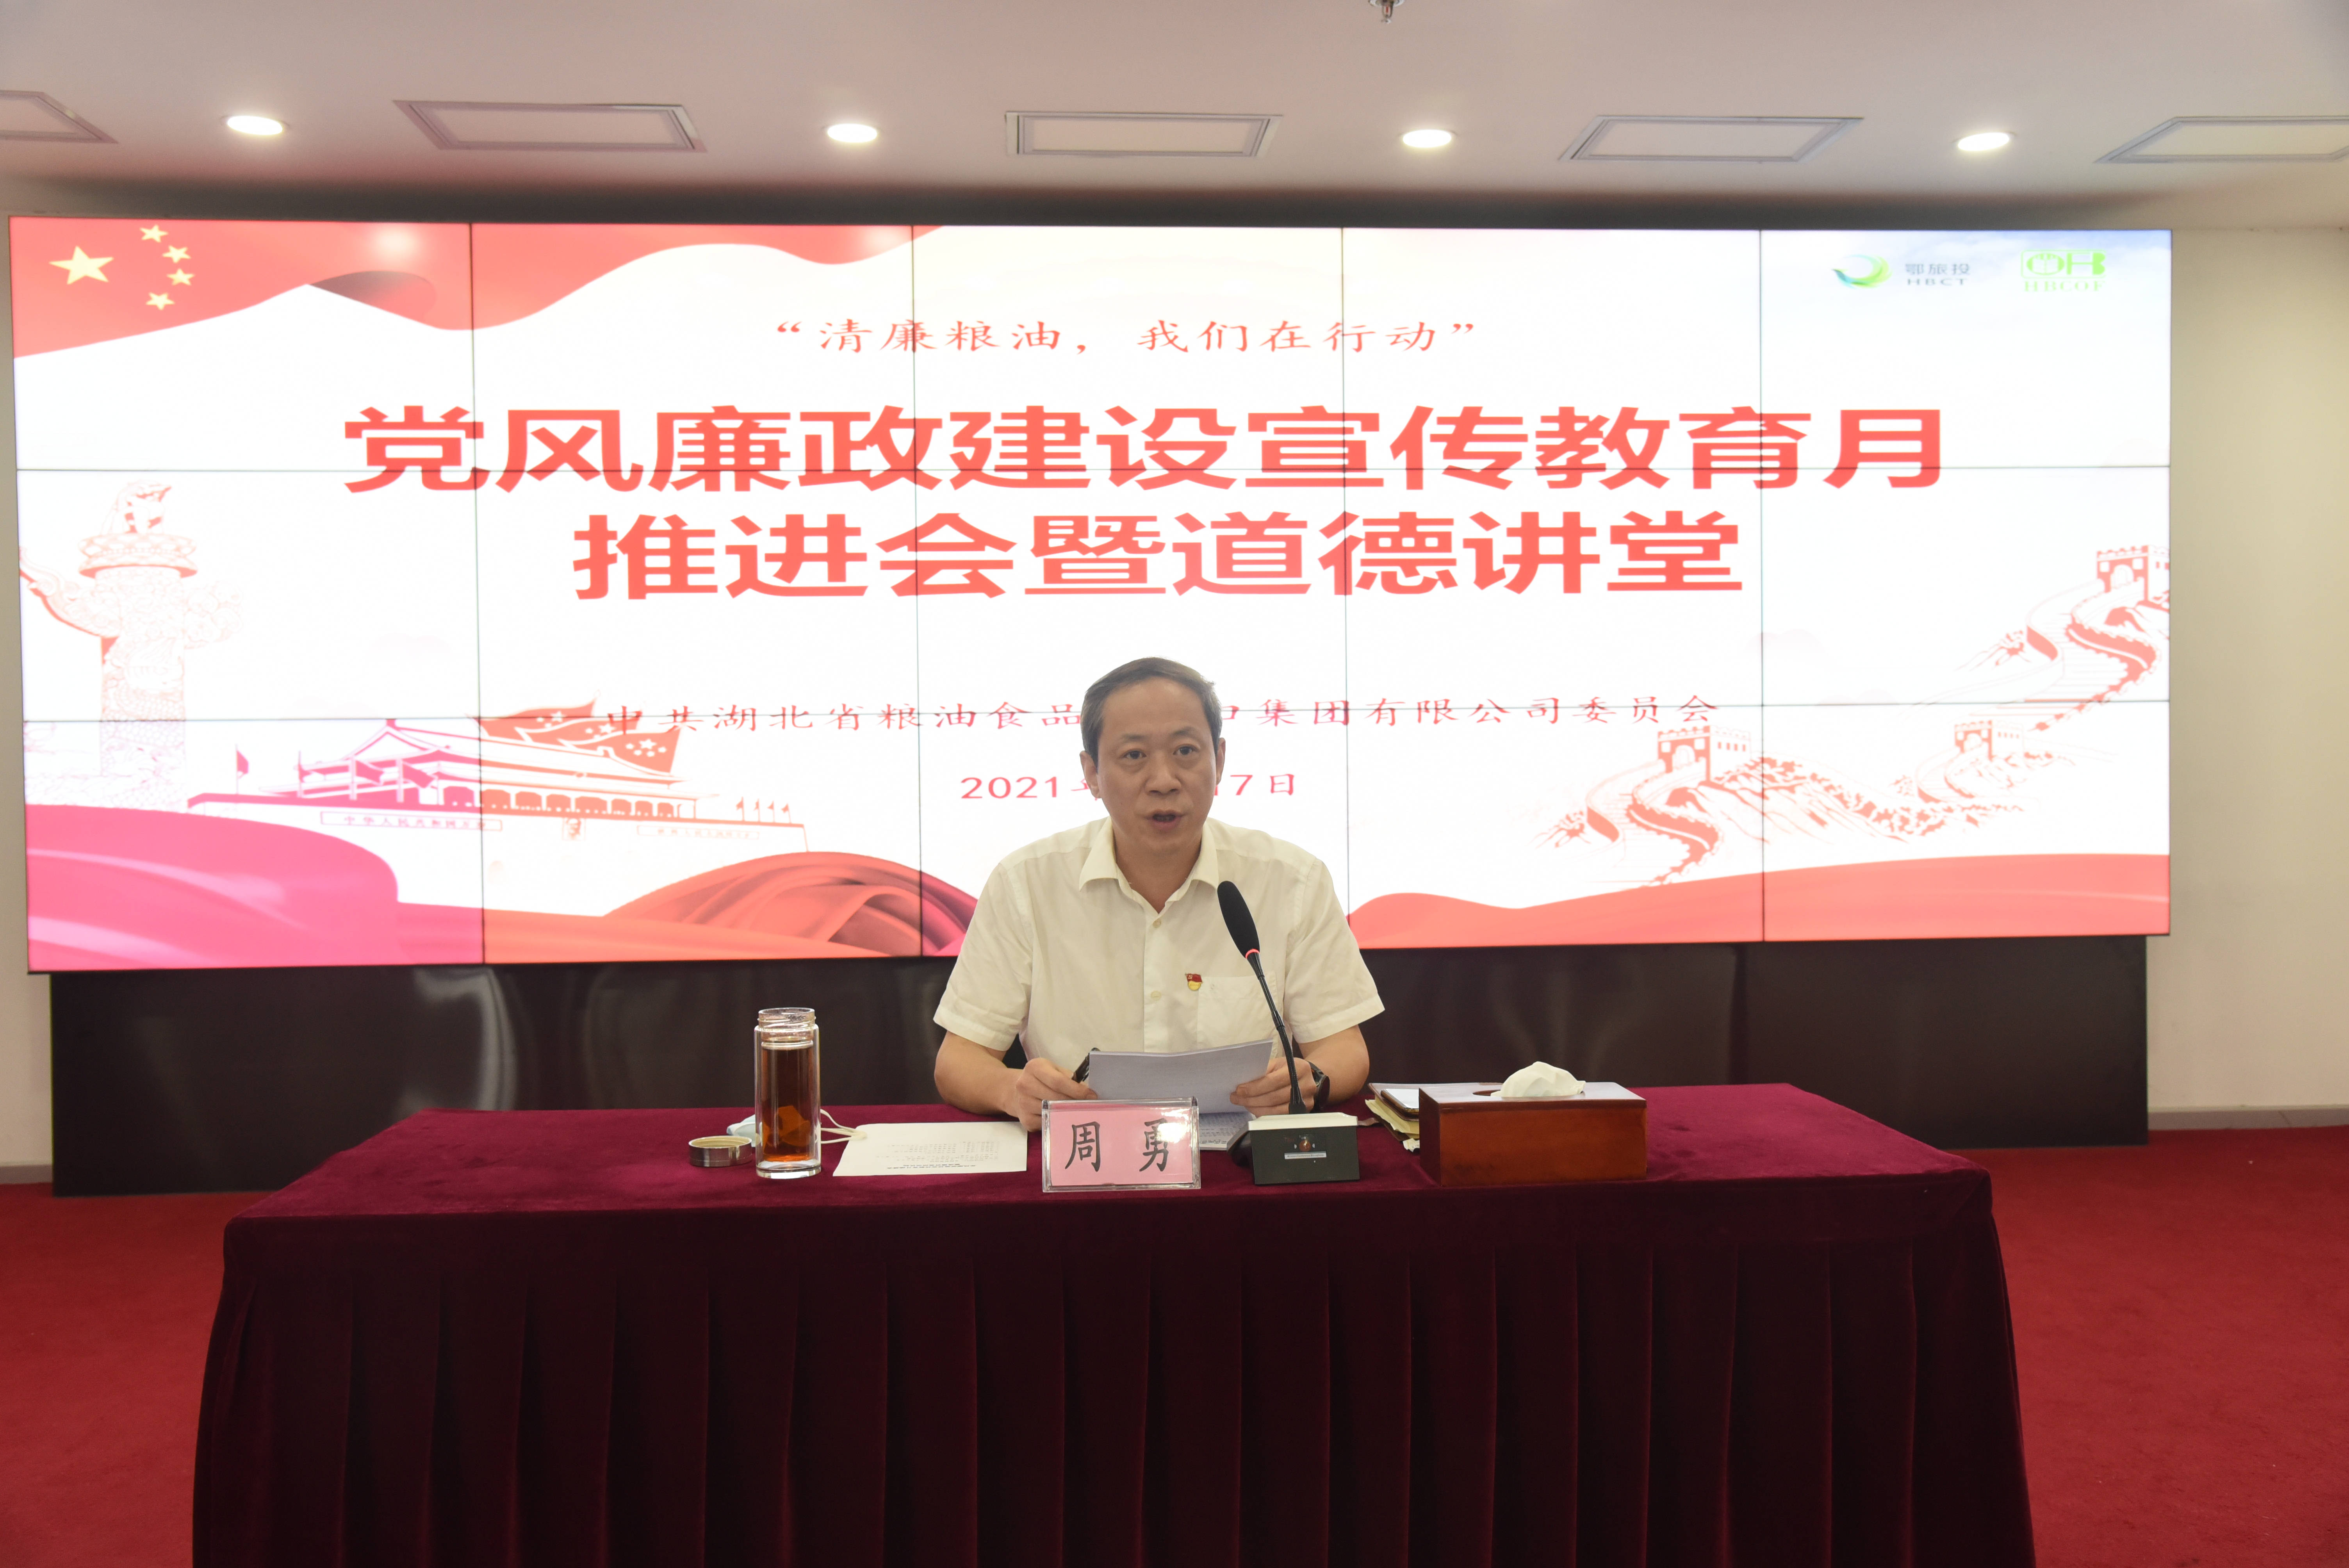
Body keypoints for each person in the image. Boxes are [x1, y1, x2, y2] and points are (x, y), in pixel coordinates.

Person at [934, 656, 1381, 1130]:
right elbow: (959, 1059)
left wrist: (1313, 1079)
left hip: (1240, 1161)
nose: (1164, 780)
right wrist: (1013, 1090)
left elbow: (1343, 1047)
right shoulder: (1026, 883)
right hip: (1084, 1154)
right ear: (1091, 772)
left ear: (1219, 760)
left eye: (1186, 751)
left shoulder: (1293, 880)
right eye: (1134, 756)